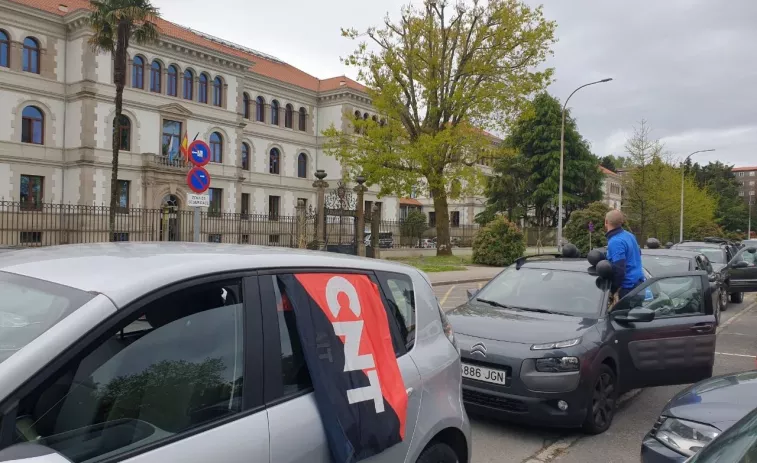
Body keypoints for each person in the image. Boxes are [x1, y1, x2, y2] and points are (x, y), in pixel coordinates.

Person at [605, 209, 644, 299]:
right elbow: (638, 253)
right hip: (639, 285)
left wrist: (612, 290)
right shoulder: (629, 235)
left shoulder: (615, 241)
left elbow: (619, 270)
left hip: (627, 289)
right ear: (621, 222)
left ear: (606, 222)